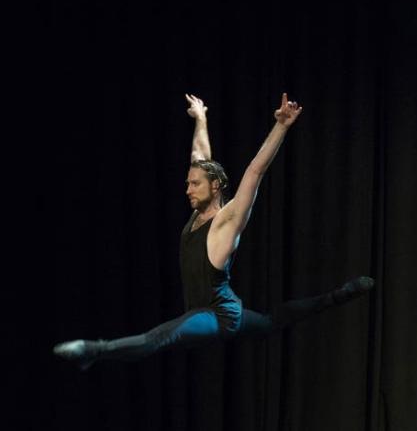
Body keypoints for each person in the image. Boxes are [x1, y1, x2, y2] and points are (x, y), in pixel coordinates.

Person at [53, 93, 374, 370]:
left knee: (159, 337)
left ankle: (93, 350)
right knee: (270, 323)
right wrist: (201, 118)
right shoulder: (198, 210)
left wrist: (282, 125)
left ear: (216, 186)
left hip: (218, 316)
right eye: (187, 183)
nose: (188, 189)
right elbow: (199, 156)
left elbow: (255, 170)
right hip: (217, 308)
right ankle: (340, 295)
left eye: (194, 184)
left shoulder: (227, 219)